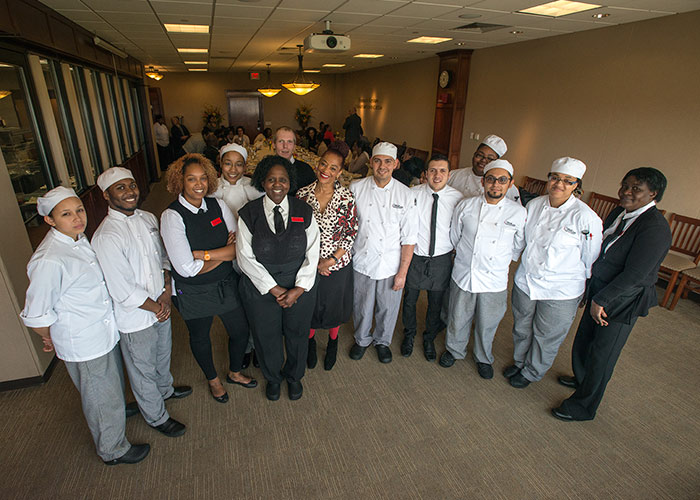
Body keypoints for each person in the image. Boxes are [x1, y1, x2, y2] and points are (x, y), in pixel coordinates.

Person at [20, 186, 150, 465]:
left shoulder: (78, 239)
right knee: (99, 396)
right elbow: (36, 313)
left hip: (102, 330)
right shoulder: (49, 259)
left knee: (108, 387)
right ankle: (113, 450)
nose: (77, 217)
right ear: (50, 220)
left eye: (78, 210)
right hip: (84, 340)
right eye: (66, 214)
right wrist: (49, 338)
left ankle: (113, 414)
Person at [552, 167, 671, 421]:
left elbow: (636, 274)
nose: (626, 192)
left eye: (636, 189)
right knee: (585, 340)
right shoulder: (621, 212)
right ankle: (583, 380)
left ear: (654, 194)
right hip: (600, 287)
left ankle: (584, 406)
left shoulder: (655, 228)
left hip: (621, 298)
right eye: (625, 185)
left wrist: (603, 300)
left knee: (603, 353)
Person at [92, 168, 192, 438]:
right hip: (135, 317)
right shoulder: (106, 236)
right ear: (106, 195)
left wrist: (166, 291)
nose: (129, 192)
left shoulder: (148, 218)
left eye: (132, 185)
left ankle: (165, 390)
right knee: (142, 368)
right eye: (120, 188)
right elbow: (122, 289)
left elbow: (162, 257)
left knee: (162, 354)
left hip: (161, 303)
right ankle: (156, 416)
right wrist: (157, 306)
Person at [161, 154, 256, 404]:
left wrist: (204, 255)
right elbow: (185, 270)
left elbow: (239, 247)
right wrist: (221, 255)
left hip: (225, 283)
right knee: (200, 337)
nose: (198, 184)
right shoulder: (172, 216)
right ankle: (213, 380)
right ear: (179, 181)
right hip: (194, 291)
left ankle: (234, 372)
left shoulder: (217, 205)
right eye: (191, 179)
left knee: (240, 330)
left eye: (203, 178)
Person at [504, 157, 603, 388]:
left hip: (562, 288)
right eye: (556, 178)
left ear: (576, 185)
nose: (560, 184)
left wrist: (584, 288)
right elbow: (523, 240)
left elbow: (591, 257)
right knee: (522, 325)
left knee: (547, 334)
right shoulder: (534, 205)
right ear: (548, 179)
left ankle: (532, 371)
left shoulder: (585, 217)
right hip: (527, 279)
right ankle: (520, 362)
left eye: (568, 181)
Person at [237, 155, 321, 401]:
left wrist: (299, 288)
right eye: (271, 179)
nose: (277, 184)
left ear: (289, 183)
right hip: (261, 289)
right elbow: (244, 257)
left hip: (299, 287)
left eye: (283, 180)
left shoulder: (304, 211)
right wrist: (274, 289)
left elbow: (313, 252)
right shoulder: (248, 213)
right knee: (266, 335)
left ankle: (294, 377)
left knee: (297, 333)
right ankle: (273, 377)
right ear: (262, 182)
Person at [438, 160, 527, 378]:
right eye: (491, 179)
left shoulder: (518, 213)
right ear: (483, 181)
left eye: (502, 180)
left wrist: (499, 261)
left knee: (488, 321)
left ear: (510, 184)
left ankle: (483, 357)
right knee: (458, 315)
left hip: (494, 277)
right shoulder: (466, 205)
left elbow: (518, 245)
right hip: (465, 271)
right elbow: (455, 236)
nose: (496, 185)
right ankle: (454, 350)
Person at [349, 142, 417, 363]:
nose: (382, 166)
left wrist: (403, 273)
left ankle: (382, 341)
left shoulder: (406, 194)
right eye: (378, 160)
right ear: (371, 162)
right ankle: (361, 339)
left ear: (396, 164)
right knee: (361, 304)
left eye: (388, 161)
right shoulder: (355, 188)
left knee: (388, 307)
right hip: (362, 258)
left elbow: (409, 239)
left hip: (390, 263)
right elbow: (348, 227)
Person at [296, 141, 358, 371]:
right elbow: (296, 232)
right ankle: (310, 342)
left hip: (337, 263)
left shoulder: (346, 197)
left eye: (333, 168)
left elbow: (350, 232)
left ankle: (332, 343)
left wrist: (330, 260)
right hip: (308, 263)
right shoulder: (302, 195)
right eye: (324, 164)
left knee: (333, 307)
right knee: (310, 306)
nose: (326, 171)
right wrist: (314, 263)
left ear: (340, 172)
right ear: (317, 164)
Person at [399, 154, 462, 361]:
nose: (437, 175)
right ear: (425, 174)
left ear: (449, 174)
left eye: (442, 170)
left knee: (436, 303)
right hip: (416, 256)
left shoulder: (458, 198)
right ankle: (409, 335)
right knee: (410, 300)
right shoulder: (412, 193)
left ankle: (429, 337)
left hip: (441, 258)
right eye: (433, 170)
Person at [213, 143, 264, 368]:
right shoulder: (210, 187)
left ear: (245, 166)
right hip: (224, 253)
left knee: (254, 302)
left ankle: (256, 344)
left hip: (251, 252)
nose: (233, 169)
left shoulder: (253, 187)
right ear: (220, 164)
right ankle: (243, 346)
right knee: (234, 304)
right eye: (227, 163)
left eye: (238, 164)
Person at [447, 134, 520, 203]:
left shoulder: (504, 185)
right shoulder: (453, 174)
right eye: (480, 155)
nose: (483, 160)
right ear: (474, 155)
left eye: (490, 158)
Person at [272, 126, 316, 195]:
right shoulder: (265, 169)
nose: (285, 146)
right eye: (281, 141)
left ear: (294, 147)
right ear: (274, 145)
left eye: (289, 142)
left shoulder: (306, 170)